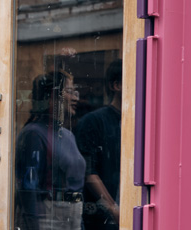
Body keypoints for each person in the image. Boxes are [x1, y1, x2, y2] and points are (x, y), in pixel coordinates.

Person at [14, 70, 85, 230]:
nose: (75, 97)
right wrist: (34, 224)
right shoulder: (34, 134)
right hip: (47, 218)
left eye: (76, 92)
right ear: (52, 97)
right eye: (69, 91)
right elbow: (28, 189)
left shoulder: (67, 135)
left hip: (72, 216)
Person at [75, 61, 122, 229]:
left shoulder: (141, 123)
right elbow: (89, 173)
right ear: (116, 85)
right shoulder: (93, 122)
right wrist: (114, 210)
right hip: (101, 221)